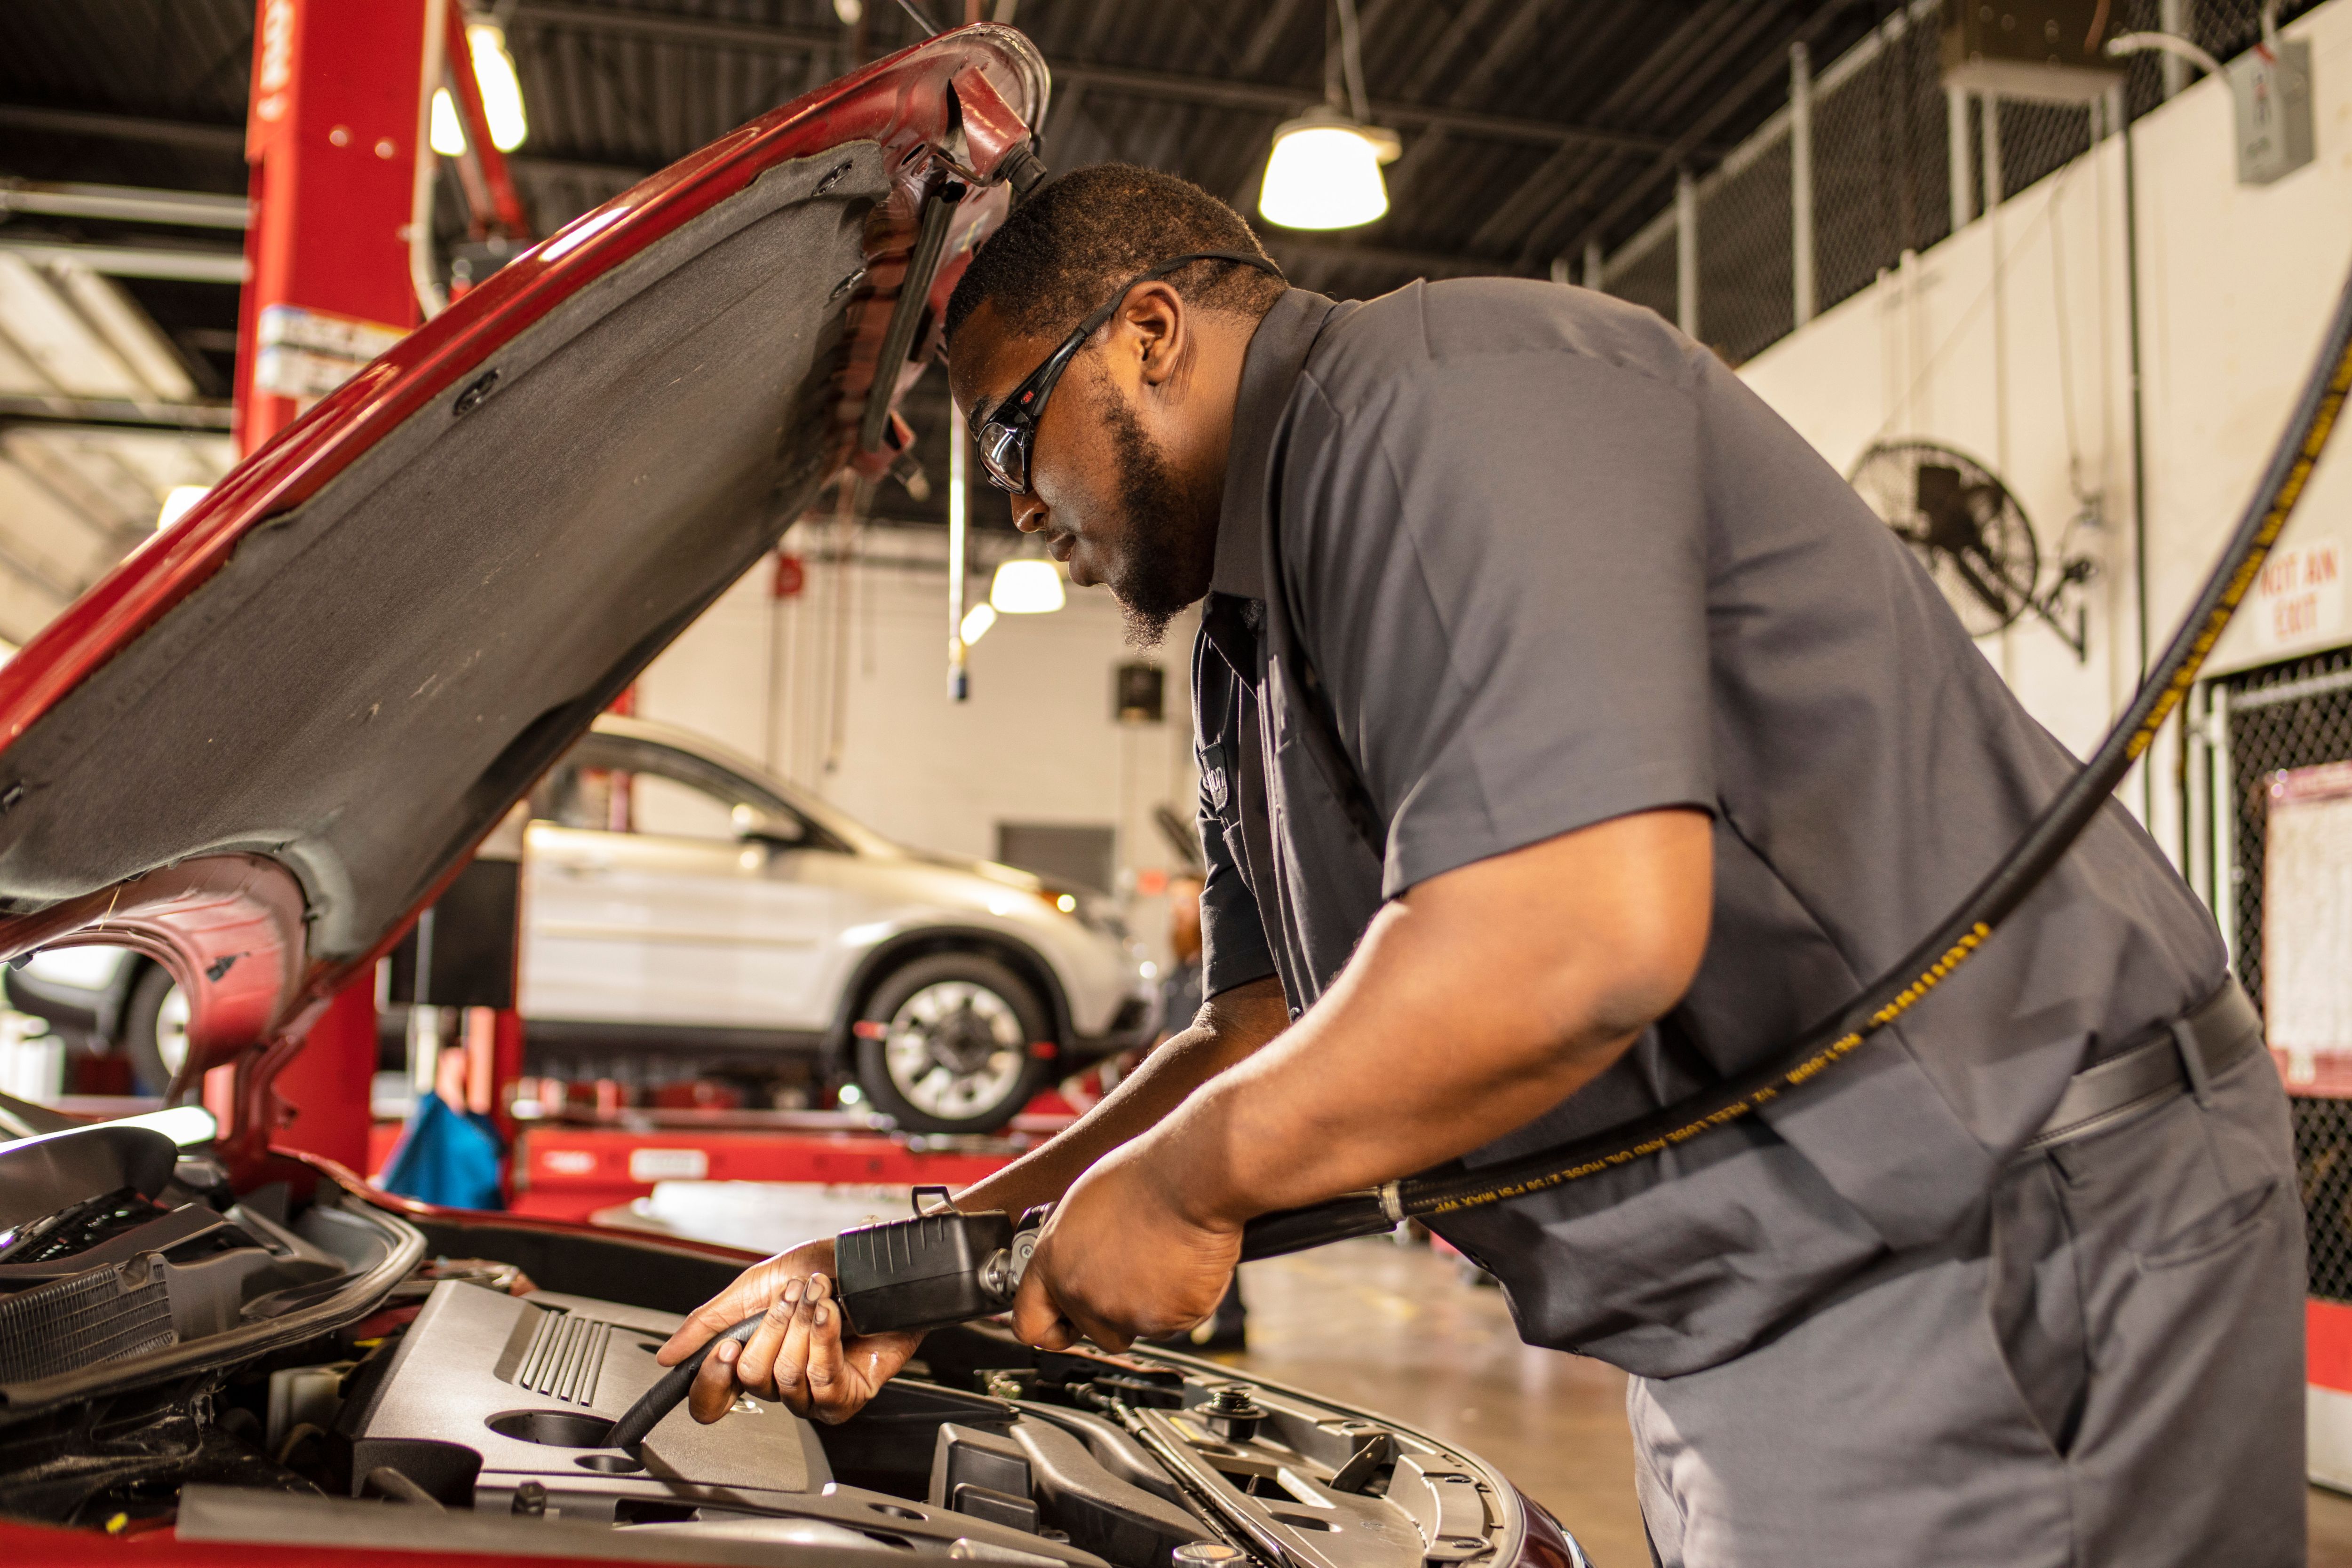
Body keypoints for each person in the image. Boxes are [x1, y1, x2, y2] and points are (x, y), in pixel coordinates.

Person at [658, 164, 2303, 1566]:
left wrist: (1188, 1183)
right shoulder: (1248, 645)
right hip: (1747, 1303)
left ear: (1150, 332)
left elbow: (1576, 934)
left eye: (1014, 434)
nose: (1018, 504)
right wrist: (913, 1267)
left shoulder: (1444, 403)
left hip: (1984, 1236)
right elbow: (1258, 1037)